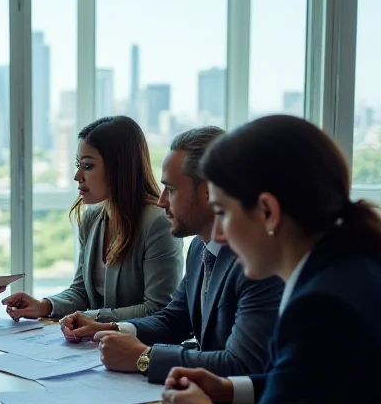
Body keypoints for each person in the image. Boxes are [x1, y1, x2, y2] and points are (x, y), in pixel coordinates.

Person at [160, 115, 380, 404]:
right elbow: (313, 382)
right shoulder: (346, 268)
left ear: (267, 211)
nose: (220, 235)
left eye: (222, 212)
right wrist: (230, 388)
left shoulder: (323, 306)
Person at [60, 127, 283, 383]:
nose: (161, 201)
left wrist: (144, 357)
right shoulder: (200, 248)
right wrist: (111, 328)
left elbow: (241, 364)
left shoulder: (256, 262)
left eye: (172, 190)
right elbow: (173, 319)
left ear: (208, 193)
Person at [3, 116, 182, 323]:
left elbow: (158, 309)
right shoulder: (92, 218)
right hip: (95, 344)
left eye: (87, 166)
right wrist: (45, 305)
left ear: (119, 167)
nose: (77, 176)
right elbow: (82, 292)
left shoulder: (158, 223)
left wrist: (91, 318)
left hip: (138, 348)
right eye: (78, 165)